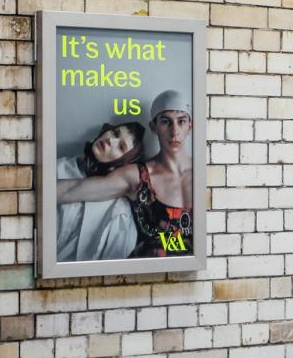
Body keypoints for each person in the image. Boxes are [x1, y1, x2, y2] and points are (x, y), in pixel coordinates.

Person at [55, 90, 194, 258]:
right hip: (149, 275)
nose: (175, 132)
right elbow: (69, 190)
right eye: (166, 122)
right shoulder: (136, 176)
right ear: (154, 127)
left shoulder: (206, 173)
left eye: (181, 121)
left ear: (190, 126)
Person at [53, 122, 145, 262]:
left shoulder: (119, 210)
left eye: (121, 147)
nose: (110, 140)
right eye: (115, 133)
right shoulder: (57, 168)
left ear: (124, 163)